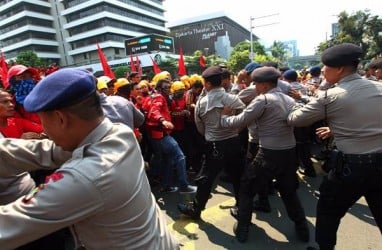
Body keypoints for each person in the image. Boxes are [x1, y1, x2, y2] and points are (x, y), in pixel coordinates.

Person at [0, 68, 179, 249]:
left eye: (43, 121)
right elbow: (49, 150)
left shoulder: (85, 177)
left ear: (60, 118)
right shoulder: (119, 133)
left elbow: (7, 225)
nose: (44, 131)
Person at [287, 43, 382, 250]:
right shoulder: (379, 88)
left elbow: (296, 119)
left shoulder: (331, 95)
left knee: (328, 212)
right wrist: (335, 130)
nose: (322, 70)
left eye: (325, 67)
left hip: (350, 169)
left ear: (339, 69)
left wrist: (302, 99)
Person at [220, 67, 309, 243]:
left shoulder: (264, 100)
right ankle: (303, 229)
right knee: (289, 192)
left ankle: (243, 228)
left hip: (268, 154)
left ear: (265, 85)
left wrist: (223, 118)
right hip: (289, 154)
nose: (255, 87)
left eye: (256, 84)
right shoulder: (289, 98)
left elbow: (240, 120)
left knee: (246, 189)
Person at [177, 66, 246, 220]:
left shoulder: (201, 103)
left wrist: (212, 133)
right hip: (234, 142)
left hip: (214, 145)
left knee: (206, 179)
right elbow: (245, 118)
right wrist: (235, 130)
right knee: (238, 177)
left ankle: (196, 210)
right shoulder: (232, 98)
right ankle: (241, 208)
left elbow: (200, 127)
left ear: (207, 84)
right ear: (221, 82)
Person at [143, 78, 197, 194]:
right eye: (165, 88)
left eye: (169, 87)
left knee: (168, 159)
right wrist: (163, 120)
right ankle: (184, 185)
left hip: (156, 134)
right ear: (158, 88)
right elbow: (154, 111)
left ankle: (166, 185)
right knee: (180, 156)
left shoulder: (151, 96)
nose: (168, 90)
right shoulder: (158, 97)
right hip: (161, 134)